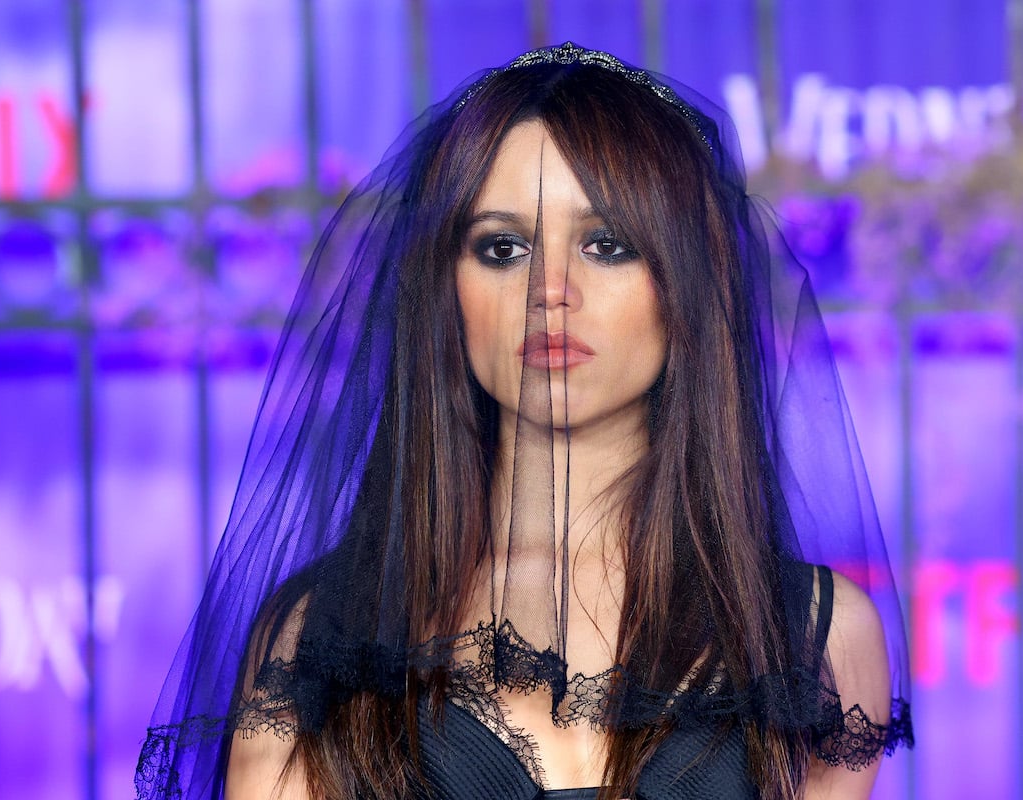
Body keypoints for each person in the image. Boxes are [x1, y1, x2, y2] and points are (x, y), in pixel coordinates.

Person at [136, 43, 913, 800]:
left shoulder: (815, 639)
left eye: (607, 244)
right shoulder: (318, 635)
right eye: (503, 247)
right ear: (445, 290)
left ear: (689, 284)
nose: (551, 289)